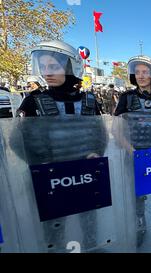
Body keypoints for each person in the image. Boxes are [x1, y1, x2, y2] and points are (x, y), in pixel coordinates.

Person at [15, 40, 105, 252]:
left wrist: (96, 153)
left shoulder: (90, 101)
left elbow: (100, 134)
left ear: (70, 67)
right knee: (55, 224)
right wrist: (39, 162)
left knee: (89, 217)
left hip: (85, 173)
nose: (47, 72)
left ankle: (92, 247)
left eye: (53, 66)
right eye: (44, 67)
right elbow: (18, 141)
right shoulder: (32, 102)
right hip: (51, 177)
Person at [114, 55, 151, 245]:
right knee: (138, 194)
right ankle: (141, 227)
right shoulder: (126, 98)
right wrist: (133, 152)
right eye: (137, 72)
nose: (141, 76)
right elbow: (117, 130)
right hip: (135, 155)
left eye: (145, 72)